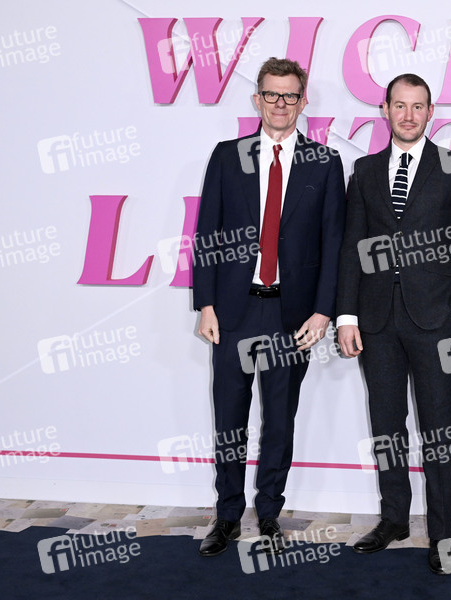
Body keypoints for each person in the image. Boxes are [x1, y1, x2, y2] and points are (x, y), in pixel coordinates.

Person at [192, 57, 345, 557]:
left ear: (303, 101)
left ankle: (270, 513)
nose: (281, 104)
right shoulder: (226, 156)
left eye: (290, 95)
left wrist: (323, 311)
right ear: (257, 99)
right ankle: (227, 516)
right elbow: (208, 233)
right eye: (272, 94)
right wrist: (206, 302)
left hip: (291, 316)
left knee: (279, 421)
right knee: (229, 421)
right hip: (233, 312)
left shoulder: (325, 163)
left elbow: (334, 243)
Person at [336, 73, 451, 574]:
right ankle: (394, 518)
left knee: (438, 428)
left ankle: (441, 535)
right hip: (376, 320)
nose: (408, 115)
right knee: (386, 427)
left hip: (434, 320)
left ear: (430, 112)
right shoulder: (364, 170)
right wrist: (347, 315)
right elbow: (352, 247)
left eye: (417, 106)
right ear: (385, 109)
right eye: (399, 105)